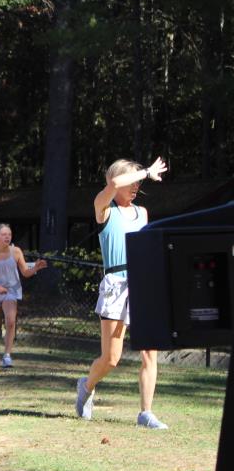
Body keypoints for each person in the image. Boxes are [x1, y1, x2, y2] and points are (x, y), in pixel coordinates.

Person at [75, 156, 169, 429]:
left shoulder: (143, 213)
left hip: (142, 282)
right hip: (115, 285)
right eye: (133, 181)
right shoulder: (103, 208)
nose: (136, 186)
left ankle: (146, 413)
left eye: (139, 182)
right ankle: (86, 385)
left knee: (149, 352)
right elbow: (115, 183)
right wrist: (146, 171)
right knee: (111, 359)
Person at [0, 223, 47, 367]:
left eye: (9, 234)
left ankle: (7, 356)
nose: (7, 237)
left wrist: (35, 268)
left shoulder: (16, 251)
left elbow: (25, 272)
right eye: (4, 234)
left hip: (10, 291)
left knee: (10, 321)